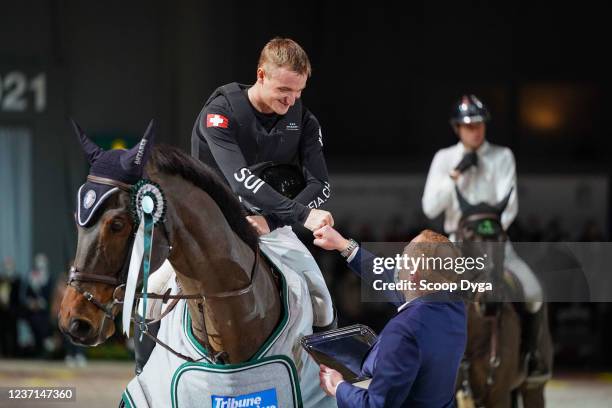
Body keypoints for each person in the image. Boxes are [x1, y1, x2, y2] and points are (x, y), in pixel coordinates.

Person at [191, 37, 334, 328]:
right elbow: (241, 180)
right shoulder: (219, 114)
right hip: (206, 218)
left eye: (298, 91)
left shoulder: (305, 121)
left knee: (322, 299)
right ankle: (146, 367)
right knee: (153, 291)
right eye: (283, 89)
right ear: (261, 75)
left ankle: (327, 370)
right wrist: (302, 215)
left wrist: (272, 220)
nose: (290, 100)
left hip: (267, 220)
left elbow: (321, 184)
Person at [421, 94, 549, 381]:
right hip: (455, 246)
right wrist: (455, 174)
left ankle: (531, 358)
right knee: (424, 296)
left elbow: (510, 206)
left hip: (496, 244)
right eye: (468, 126)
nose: (475, 130)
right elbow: (430, 208)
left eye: (479, 124)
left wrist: (488, 236)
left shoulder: (502, 156)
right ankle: (427, 361)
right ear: (457, 128)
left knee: (533, 293)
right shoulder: (444, 159)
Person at [313, 226, 467, 407]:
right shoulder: (454, 307)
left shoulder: (404, 329)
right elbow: (388, 280)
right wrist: (343, 245)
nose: (398, 260)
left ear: (412, 275)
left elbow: (376, 405)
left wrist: (338, 387)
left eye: (404, 255)